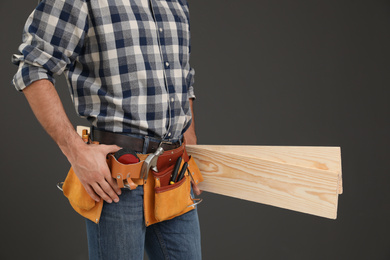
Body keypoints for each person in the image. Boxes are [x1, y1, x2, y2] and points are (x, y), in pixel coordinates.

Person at [12, 0, 201, 259]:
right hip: (117, 178)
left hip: (174, 176)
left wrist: (189, 141)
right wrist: (76, 152)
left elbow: (183, 75)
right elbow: (32, 67)